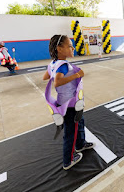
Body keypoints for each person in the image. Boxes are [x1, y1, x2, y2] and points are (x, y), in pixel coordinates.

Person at [42, 35, 94, 170]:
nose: (73, 48)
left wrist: (54, 71)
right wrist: (76, 75)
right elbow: (57, 82)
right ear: (60, 49)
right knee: (71, 131)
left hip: (65, 102)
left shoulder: (53, 64)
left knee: (80, 122)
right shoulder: (63, 65)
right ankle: (68, 160)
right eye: (70, 46)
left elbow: (45, 76)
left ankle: (80, 144)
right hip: (70, 104)